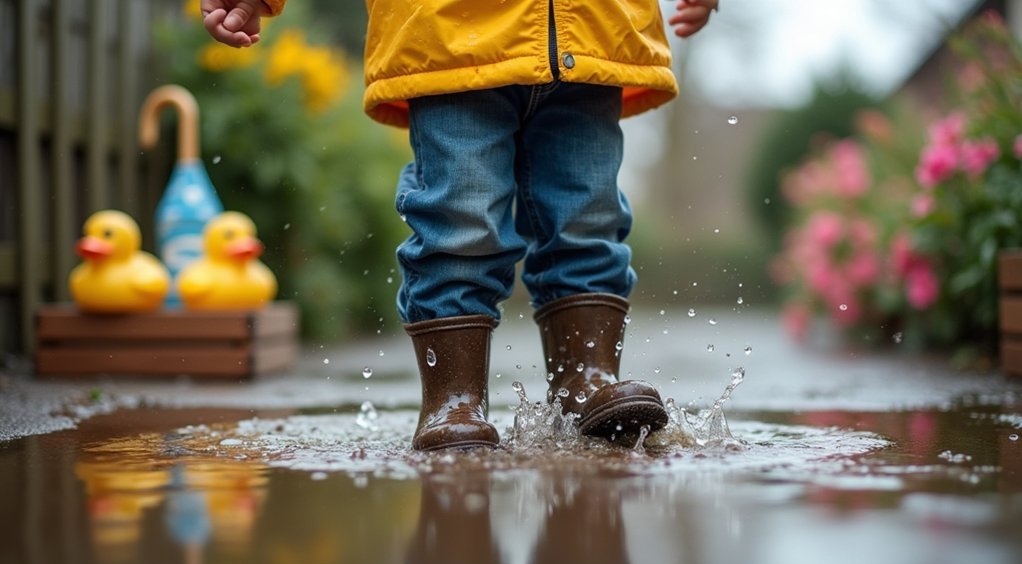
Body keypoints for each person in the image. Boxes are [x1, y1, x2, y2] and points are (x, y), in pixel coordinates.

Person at [201, 0, 717, 451]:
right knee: (459, 219)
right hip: (449, 33)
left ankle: (586, 382)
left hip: (597, 33)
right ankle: (453, 399)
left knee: (588, 220)